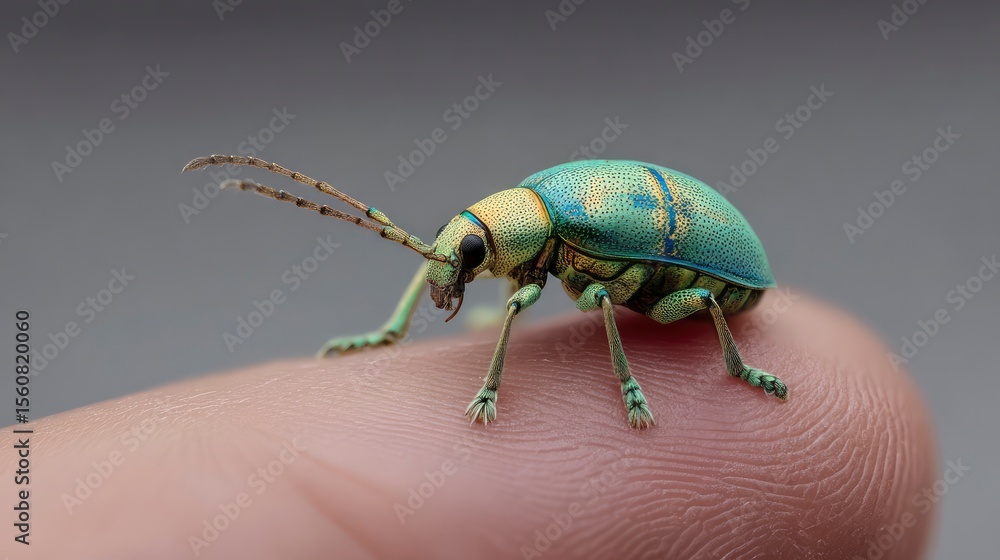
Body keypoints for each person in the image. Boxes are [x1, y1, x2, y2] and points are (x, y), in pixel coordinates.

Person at [3, 295, 936, 559]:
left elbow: (609, 299)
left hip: (707, 275)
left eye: (469, 263)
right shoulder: (527, 242)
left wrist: (633, 388)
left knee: (611, 303)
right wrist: (395, 332)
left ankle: (731, 365)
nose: (455, 275)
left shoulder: (569, 240)